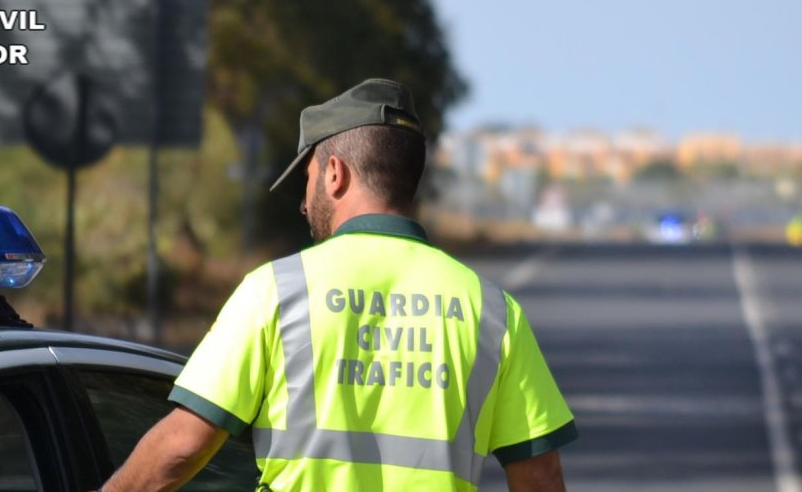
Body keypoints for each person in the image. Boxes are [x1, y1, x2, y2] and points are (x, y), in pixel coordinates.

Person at [102, 78, 577, 491]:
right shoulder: (492, 311)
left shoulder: (276, 291)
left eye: (307, 181)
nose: (304, 205)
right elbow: (540, 478)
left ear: (334, 173)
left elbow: (183, 447)